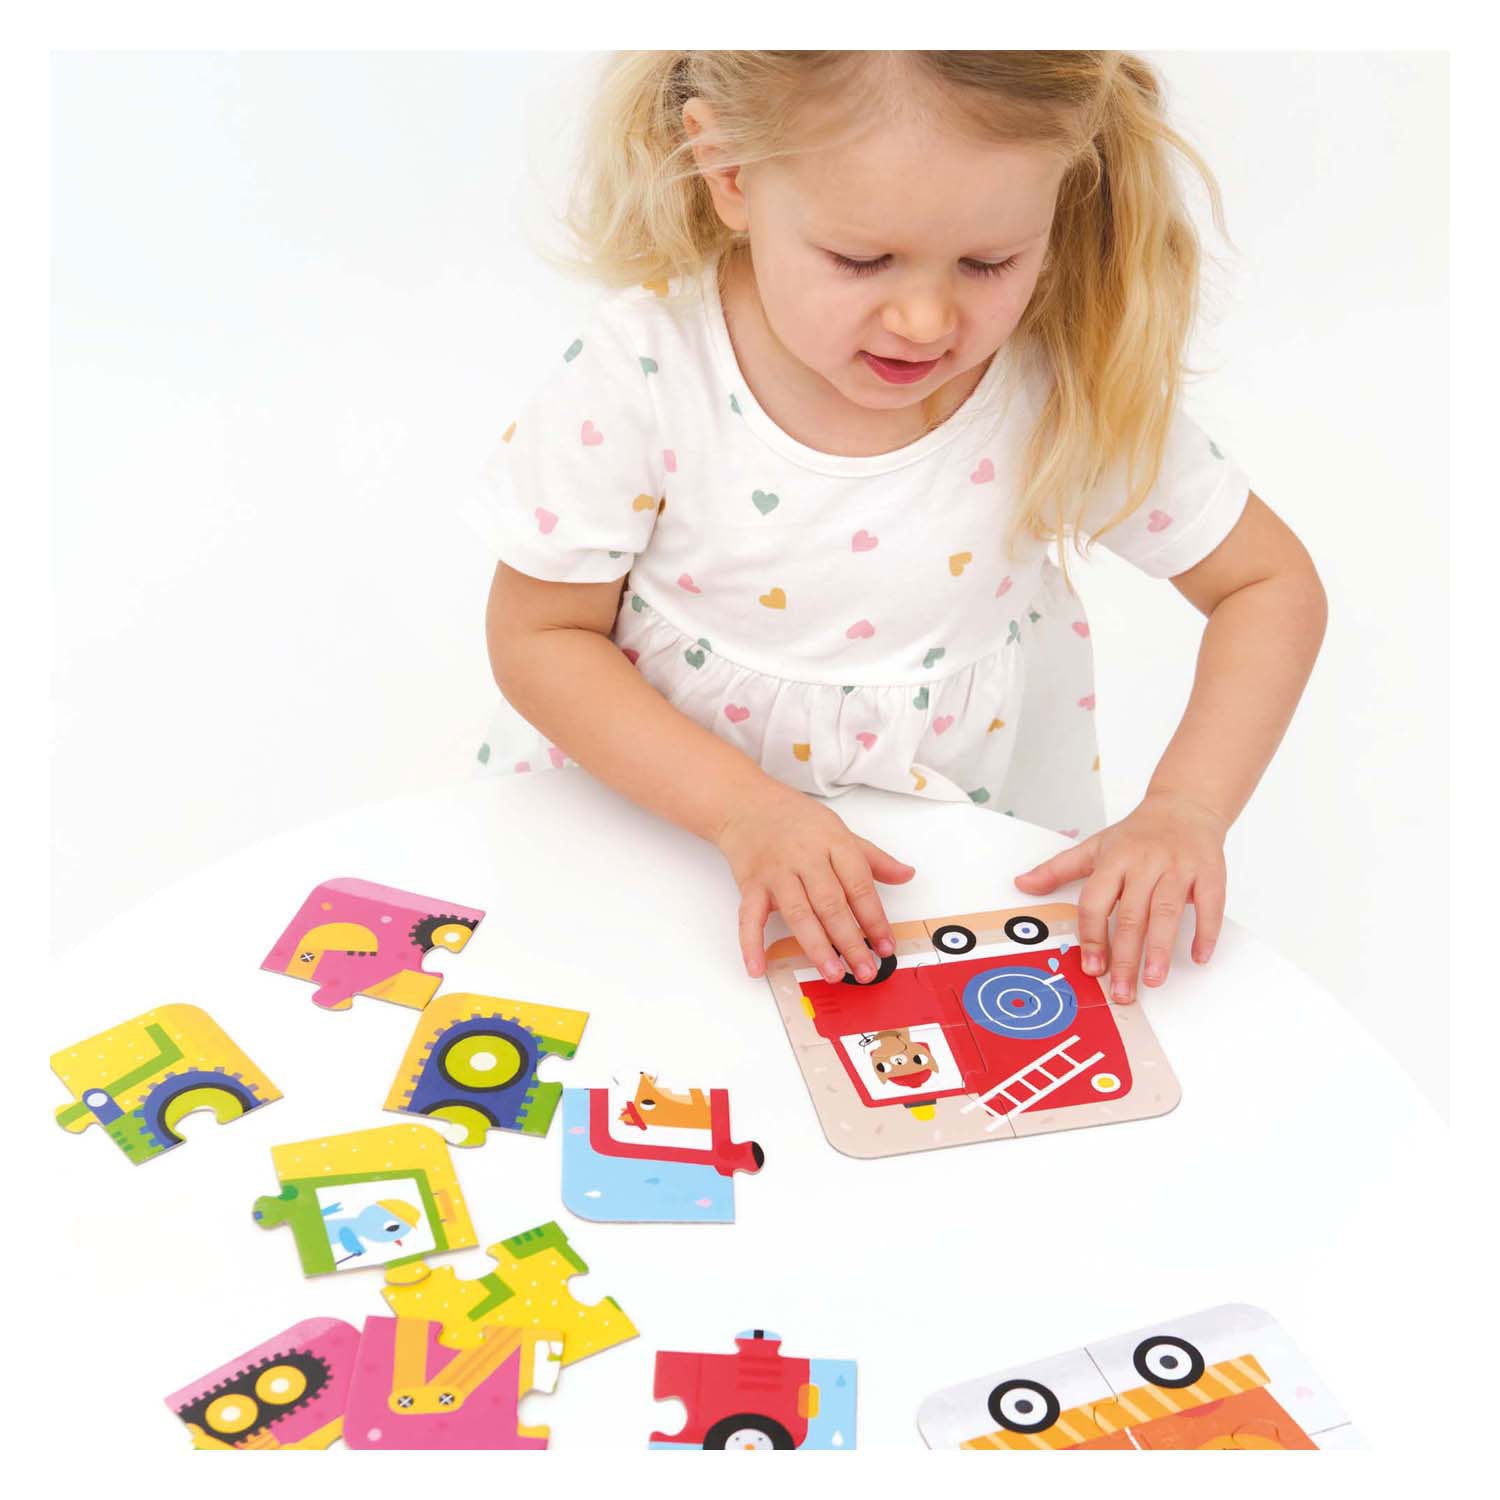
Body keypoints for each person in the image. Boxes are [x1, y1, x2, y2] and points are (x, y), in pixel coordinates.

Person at [470, 51, 1327, 1007]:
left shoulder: (1056, 381)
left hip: (944, 875)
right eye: (861, 259)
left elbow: (1267, 586)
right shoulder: (645, 374)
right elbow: (541, 635)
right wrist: (742, 813)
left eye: (989, 262)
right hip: (659, 837)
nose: (924, 320)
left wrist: (1186, 808)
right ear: (729, 172)